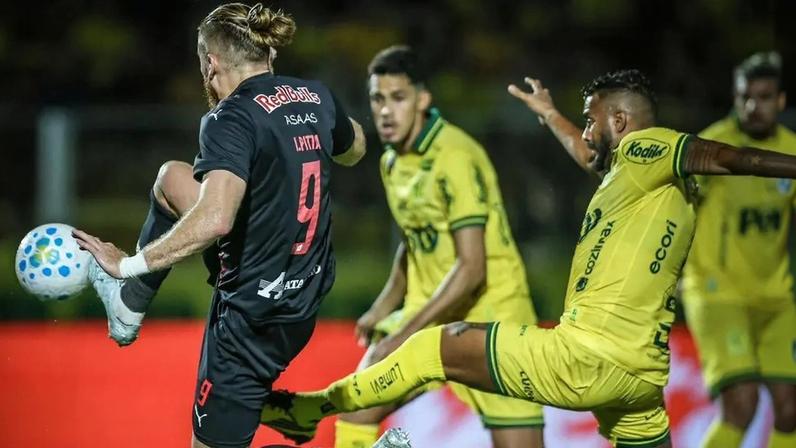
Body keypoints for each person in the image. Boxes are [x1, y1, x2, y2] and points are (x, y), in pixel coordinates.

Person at [259, 68, 796, 448]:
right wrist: (552, 116)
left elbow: (731, 156)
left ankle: (313, 409)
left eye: (591, 119)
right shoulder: (642, 181)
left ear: (621, 120)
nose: (585, 131)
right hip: (641, 378)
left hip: (586, 354)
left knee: (429, 348)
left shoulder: (649, 146)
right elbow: (591, 157)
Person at [73, 3, 366, 447]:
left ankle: (126, 289)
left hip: (252, 320)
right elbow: (355, 147)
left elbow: (215, 220)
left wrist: (128, 264)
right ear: (267, 55)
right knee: (173, 178)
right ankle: (127, 308)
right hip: (303, 292)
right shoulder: (316, 96)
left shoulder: (231, 116)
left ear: (210, 63)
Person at [331, 45, 544, 448]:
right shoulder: (391, 161)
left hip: (491, 321)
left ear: (422, 99)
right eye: (378, 99)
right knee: (356, 404)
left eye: (398, 98)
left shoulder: (456, 157)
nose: (386, 111)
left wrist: (404, 335)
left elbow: (471, 268)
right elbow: (415, 241)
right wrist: (382, 306)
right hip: (428, 315)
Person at [681, 52, 796, 448]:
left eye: (764, 97)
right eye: (745, 96)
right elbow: (679, 211)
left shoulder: (790, 154)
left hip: (776, 297)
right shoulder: (712, 149)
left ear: (781, 101)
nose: (753, 106)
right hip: (718, 293)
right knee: (742, 404)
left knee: (790, 408)